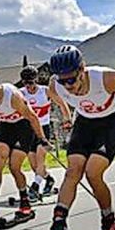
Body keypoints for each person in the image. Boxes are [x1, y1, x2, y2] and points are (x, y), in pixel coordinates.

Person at [43, 45, 115, 230]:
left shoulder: (106, 79)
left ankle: (109, 221)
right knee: (72, 171)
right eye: (62, 81)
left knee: (93, 173)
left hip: (111, 123)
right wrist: (66, 115)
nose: (68, 86)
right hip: (85, 123)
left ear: (82, 69)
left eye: (71, 80)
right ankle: (58, 227)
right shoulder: (56, 85)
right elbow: (55, 95)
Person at [0, 68, 49, 224]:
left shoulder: (11, 95)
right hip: (6, 125)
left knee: (14, 166)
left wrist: (42, 138)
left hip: (24, 126)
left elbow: (32, 117)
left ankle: (25, 202)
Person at [18, 65, 68, 201]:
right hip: (28, 131)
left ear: (36, 80)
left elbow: (62, 103)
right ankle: (49, 179)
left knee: (40, 160)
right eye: (26, 84)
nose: (29, 87)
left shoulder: (45, 91)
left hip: (43, 129)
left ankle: (35, 187)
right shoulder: (20, 93)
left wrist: (67, 119)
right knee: (34, 166)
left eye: (31, 83)